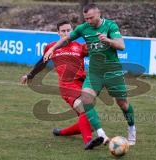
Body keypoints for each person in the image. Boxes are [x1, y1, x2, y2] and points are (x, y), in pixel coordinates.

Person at [44, 3, 136, 146]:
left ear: (99, 14)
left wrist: (108, 40)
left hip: (112, 71)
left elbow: (121, 46)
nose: (88, 21)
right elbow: (67, 39)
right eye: (86, 18)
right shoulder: (83, 28)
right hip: (94, 72)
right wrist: (53, 49)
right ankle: (101, 135)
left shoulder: (110, 26)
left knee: (122, 103)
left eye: (91, 18)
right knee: (86, 99)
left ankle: (131, 129)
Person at [20, 18, 105, 150]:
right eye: (63, 31)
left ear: (72, 31)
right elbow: (42, 62)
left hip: (82, 84)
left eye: (68, 30)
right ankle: (88, 142)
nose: (66, 33)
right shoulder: (51, 47)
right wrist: (30, 75)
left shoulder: (79, 46)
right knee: (84, 108)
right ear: (58, 33)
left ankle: (61, 132)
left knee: (92, 124)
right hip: (67, 86)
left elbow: (97, 51)